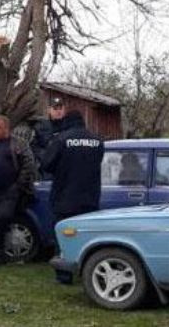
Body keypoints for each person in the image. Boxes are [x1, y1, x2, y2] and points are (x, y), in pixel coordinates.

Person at [42, 109, 104, 284]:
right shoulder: (97, 141)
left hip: (65, 197)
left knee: (63, 236)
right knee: (87, 236)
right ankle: (88, 273)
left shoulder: (61, 139)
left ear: (67, 122)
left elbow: (47, 164)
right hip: (90, 197)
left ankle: (64, 276)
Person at [0, 115, 37, 265]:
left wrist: (18, 185)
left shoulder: (18, 144)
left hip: (10, 191)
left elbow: (28, 165)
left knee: (3, 218)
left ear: (7, 129)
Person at [30, 97, 66, 166]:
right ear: (49, 110)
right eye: (55, 109)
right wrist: (46, 156)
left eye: (60, 108)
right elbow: (34, 147)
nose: (58, 111)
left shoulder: (68, 126)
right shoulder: (41, 126)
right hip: (47, 167)